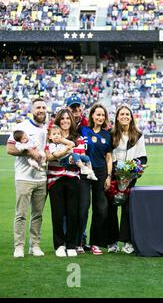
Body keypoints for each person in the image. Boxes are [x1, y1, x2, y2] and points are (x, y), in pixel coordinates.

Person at [7, 98, 48, 258]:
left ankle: (34, 245)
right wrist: (29, 152)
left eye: (44, 107)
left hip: (41, 177)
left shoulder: (46, 128)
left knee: (38, 214)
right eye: (38, 107)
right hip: (24, 177)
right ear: (32, 109)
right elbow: (10, 149)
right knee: (21, 213)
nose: (41, 110)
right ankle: (19, 246)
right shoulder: (22, 127)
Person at [106, 105, 147, 254]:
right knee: (111, 209)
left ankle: (127, 241)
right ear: (117, 117)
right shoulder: (111, 135)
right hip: (114, 176)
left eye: (127, 114)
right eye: (121, 114)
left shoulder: (138, 135)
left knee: (127, 210)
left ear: (131, 117)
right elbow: (108, 156)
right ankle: (112, 241)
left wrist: (131, 171)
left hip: (130, 178)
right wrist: (116, 170)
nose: (124, 116)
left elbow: (142, 158)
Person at [46, 109, 86, 257]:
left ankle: (71, 245)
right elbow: (49, 156)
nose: (65, 121)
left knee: (72, 213)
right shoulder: (52, 137)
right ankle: (59, 245)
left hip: (72, 178)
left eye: (67, 118)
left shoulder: (78, 138)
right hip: (55, 179)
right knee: (57, 214)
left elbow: (80, 159)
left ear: (72, 120)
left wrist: (65, 157)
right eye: (62, 118)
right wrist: (68, 154)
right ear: (58, 120)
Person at [79, 104, 113, 255]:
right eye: (97, 114)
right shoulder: (83, 130)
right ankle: (79, 242)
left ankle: (95, 243)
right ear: (92, 116)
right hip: (85, 171)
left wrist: (108, 176)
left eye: (102, 115)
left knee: (101, 209)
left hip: (100, 172)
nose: (100, 117)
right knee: (83, 207)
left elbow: (109, 157)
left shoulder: (107, 135)